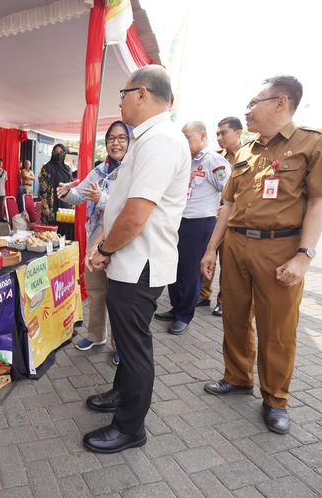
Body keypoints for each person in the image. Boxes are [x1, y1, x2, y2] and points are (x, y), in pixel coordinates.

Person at [201, 76, 322, 434]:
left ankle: (275, 399)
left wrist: (304, 256)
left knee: (277, 328)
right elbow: (228, 204)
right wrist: (211, 249)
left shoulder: (316, 142)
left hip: (280, 248)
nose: (247, 110)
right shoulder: (246, 150)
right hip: (236, 243)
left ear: (281, 102)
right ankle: (236, 376)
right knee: (233, 315)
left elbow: (318, 202)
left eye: (254, 102)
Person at [83, 65, 190, 453]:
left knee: (134, 345)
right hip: (130, 259)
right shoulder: (147, 137)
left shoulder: (161, 139)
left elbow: (136, 214)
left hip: (139, 262)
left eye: (123, 94)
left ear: (141, 93)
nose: (121, 101)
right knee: (127, 343)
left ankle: (130, 427)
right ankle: (120, 393)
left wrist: (104, 249)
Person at [57, 121, 130, 366]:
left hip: (119, 239)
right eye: (111, 138)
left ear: (129, 142)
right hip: (94, 236)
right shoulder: (99, 170)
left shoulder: (134, 170)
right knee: (96, 289)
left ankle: (120, 346)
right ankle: (96, 335)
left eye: (121, 138)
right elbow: (79, 196)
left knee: (119, 296)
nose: (115, 143)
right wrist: (66, 191)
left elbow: (128, 208)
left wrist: (102, 199)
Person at [154, 122, 228, 335]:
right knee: (173, 267)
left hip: (200, 224)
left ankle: (184, 315)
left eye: (187, 137)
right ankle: (176, 307)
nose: (183, 142)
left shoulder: (213, 161)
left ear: (202, 136)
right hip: (177, 221)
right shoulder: (183, 161)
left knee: (190, 271)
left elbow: (230, 193)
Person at [198, 116, 243, 316]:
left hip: (234, 219)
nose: (219, 137)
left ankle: (223, 300)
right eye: (217, 133)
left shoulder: (247, 156)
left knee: (228, 262)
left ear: (238, 133)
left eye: (224, 132)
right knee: (208, 255)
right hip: (214, 217)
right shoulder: (216, 157)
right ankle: (203, 294)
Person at [39, 144, 73, 225]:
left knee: (64, 232)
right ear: (52, 153)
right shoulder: (46, 168)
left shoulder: (68, 170)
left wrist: (72, 205)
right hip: (51, 206)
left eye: (61, 152)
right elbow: (42, 189)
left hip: (65, 207)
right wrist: (45, 206)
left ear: (64, 153)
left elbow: (70, 188)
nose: (58, 155)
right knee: (51, 233)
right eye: (56, 152)